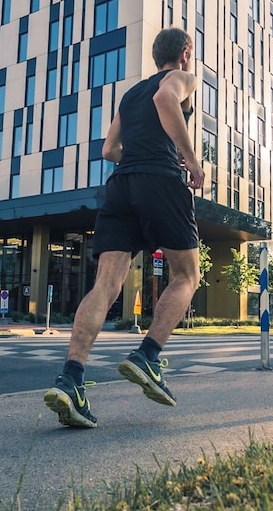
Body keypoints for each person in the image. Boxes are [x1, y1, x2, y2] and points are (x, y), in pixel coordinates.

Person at [44, 27, 205, 428]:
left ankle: (71, 380)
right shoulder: (182, 77)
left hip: (121, 184)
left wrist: (137, 158)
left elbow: (109, 149)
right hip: (160, 180)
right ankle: (148, 355)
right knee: (187, 275)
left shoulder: (130, 94)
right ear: (185, 53)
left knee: (106, 284)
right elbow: (166, 99)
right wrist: (190, 159)